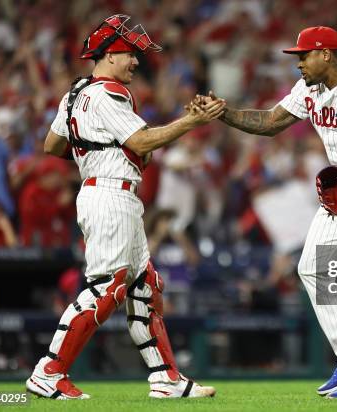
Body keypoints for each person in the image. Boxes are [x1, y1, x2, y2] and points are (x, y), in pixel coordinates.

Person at [196, 26, 337, 399]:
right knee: (311, 266)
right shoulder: (310, 89)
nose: (299, 64)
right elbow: (270, 123)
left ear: (326, 54)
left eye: (303, 56)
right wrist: (224, 113)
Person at [25, 14, 225, 400]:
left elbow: (52, 145)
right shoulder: (107, 93)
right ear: (110, 54)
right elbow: (143, 141)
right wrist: (192, 121)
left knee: (144, 287)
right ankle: (49, 371)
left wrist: (96, 153)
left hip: (109, 191)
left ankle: (165, 379)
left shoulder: (76, 93)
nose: (136, 61)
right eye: (130, 53)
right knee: (107, 286)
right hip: (109, 196)